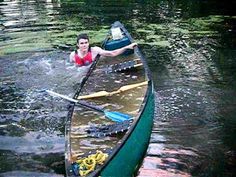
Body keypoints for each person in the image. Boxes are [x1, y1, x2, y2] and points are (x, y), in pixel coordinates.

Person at [69, 33, 137, 67]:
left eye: (86, 43)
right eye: (81, 43)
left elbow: (113, 53)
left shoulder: (95, 50)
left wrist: (127, 47)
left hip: (93, 69)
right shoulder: (73, 55)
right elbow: (71, 67)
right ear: (78, 45)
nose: (84, 45)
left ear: (88, 43)